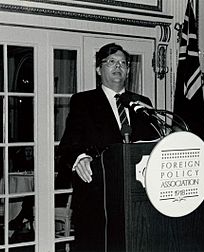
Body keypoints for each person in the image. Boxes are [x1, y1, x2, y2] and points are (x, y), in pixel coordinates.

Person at [58, 43, 161, 252]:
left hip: (138, 197)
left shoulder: (141, 102)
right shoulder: (84, 101)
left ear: (129, 71)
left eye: (123, 63)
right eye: (111, 62)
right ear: (99, 70)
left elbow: (155, 141)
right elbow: (69, 143)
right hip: (98, 196)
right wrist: (81, 158)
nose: (118, 67)